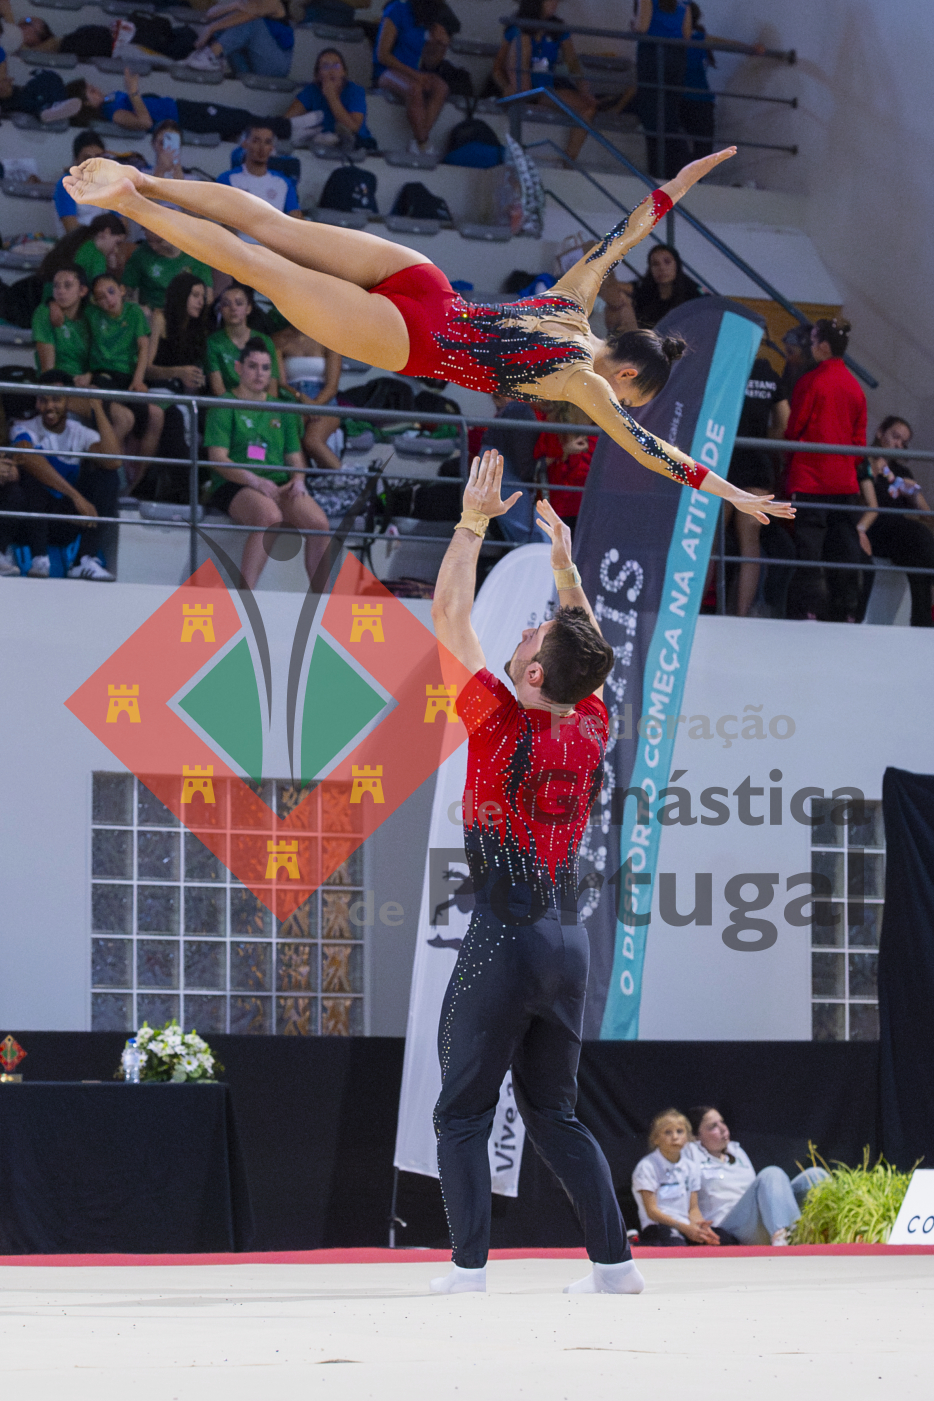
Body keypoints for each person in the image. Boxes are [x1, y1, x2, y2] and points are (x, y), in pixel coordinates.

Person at [63, 147, 794, 530]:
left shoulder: (577, 302)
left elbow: (625, 229)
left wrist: (682, 184)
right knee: (261, 267)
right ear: (629, 380)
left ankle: (144, 179)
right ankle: (128, 201)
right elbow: (650, 450)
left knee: (274, 230)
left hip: (427, 283)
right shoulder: (585, 384)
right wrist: (728, 489)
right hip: (410, 340)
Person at [427, 450, 644, 1296]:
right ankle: (615, 1267)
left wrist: (473, 522)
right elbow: (587, 650)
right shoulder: (589, 721)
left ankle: (469, 1272)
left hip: (507, 937)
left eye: (528, 636)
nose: (520, 632)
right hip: (570, 938)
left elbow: (450, 615)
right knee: (554, 1111)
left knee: (461, 1111)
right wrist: (563, 566)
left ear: (531, 674)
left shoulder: (502, 720)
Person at [204, 337, 330, 589]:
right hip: (234, 483)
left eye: (264, 367)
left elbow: (295, 458)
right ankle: (245, 594)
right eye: (252, 366)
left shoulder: (282, 409)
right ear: (239, 368)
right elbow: (218, 458)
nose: (259, 373)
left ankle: (322, 600)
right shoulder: (224, 406)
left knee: (319, 524)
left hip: (276, 483)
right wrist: (254, 480)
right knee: (269, 516)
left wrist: (298, 480)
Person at [785, 318, 867, 621]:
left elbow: (794, 430)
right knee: (843, 550)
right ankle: (844, 612)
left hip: (810, 479)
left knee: (808, 551)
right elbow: (859, 441)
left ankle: (804, 612)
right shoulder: (855, 387)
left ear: (823, 346)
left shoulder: (810, 382)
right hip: (844, 482)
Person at [9, 369, 121, 580]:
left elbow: (114, 460)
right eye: (44, 399)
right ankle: (39, 559)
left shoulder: (78, 431)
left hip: (67, 523)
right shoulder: (23, 428)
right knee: (31, 476)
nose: (50, 406)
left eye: (56, 399)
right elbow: (29, 458)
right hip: (31, 524)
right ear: (37, 402)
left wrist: (97, 407)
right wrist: (75, 496)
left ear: (68, 401)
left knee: (108, 477)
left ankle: (83, 560)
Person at [683, 1105, 828, 1246]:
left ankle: (828, 1233)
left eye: (722, 1122)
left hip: (762, 1217)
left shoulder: (737, 1152)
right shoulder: (691, 1153)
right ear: (695, 1136)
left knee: (816, 1176)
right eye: (713, 1126)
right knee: (771, 1174)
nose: (723, 1129)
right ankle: (784, 1240)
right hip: (730, 1226)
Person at [726, 354, 795, 617]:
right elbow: (784, 424)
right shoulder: (770, 376)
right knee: (749, 544)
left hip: (725, 459)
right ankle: (742, 615)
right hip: (757, 463)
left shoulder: (729, 366)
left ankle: (694, 610)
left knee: (709, 541)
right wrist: (761, 438)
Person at [85, 272, 165, 485]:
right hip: (102, 373)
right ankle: (102, 468)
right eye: (100, 297)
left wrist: (138, 381)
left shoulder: (133, 312)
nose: (107, 300)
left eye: (110, 292)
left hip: (127, 376)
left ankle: (136, 482)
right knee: (123, 417)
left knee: (150, 416)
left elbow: (143, 346)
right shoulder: (92, 313)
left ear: (121, 290)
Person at [496, 0, 597, 163]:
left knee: (587, 109)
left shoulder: (558, 28)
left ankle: (569, 160)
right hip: (520, 89)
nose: (556, 2)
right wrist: (505, 87)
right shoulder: (516, 27)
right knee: (523, 42)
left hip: (545, 92)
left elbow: (573, 63)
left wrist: (583, 88)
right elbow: (497, 69)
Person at [858, 416, 934, 628]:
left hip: (904, 537)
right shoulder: (863, 463)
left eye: (903, 442)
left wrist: (913, 492)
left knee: (921, 554)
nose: (898, 444)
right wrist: (875, 475)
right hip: (876, 532)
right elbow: (861, 502)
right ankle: (923, 622)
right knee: (921, 541)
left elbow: (927, 515)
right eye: (895, 437)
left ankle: (922, 621)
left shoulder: (902, 473)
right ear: (880, 432)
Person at [64, 70, 271, 143]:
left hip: (178, 108)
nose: (97, 89)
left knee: (238, 119)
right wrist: (133, 92)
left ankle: (287, 126)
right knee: (241, 121)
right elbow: (144, 122)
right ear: (86, 104)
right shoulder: (110, 112)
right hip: (180, 118)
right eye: (91, 92)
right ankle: (289, 127)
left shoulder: (109, 103)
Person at [374, 0, 459, 157]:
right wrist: (416, 76)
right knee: (415, 88)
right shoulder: (396, 9)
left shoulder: (428, 19)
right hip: (386, 71)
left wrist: (440, 45)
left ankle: (418, 142)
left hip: (413, 73)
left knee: (441, 87)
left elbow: (430, 62)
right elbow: (383, 55)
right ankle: (423, 143)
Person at [632, 1109, 726, 1246]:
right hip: (658, 1226)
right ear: (656, 1138)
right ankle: (636, 1242)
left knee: (722, 1239)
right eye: (668, 1132)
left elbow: (693, 1209)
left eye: (679, 1131)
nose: (675, 1137)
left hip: (684, 1225)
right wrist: (684, 1228)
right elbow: (652, 1211)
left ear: (688, 1137)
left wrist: (701, 1228)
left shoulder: (691, 1167)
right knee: (676, 1243)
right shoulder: (647, 1167)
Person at [272, 320, 343, 474]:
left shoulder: (330, 338)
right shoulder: (278, 339)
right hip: (292, 400)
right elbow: (280, 383)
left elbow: (332, 387)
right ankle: (303, 486)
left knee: (312, 441)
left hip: (324, 402)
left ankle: (346, 480)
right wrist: (299, 397)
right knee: (293, 442)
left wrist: (314, 405)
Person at [633, 0, 691, 179]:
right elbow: (686, 35)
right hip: (676, 58)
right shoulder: (685, 3)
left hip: (652, 55)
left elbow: (642, 27)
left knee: (651, 115)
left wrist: (632, 27)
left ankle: (657, 171)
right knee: (670, 115)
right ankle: (676, 168)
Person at [216, 122, 302, 237]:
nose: (262, 148)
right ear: (245, 143)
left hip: (273, 249)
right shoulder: (227, 179)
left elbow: (296, 221)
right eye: (256, 141)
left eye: (267, 142)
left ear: (272, 148)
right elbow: (225, 222)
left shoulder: (284, 183)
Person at [285, 47, 376, 151]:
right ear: (317, 75)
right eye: (325, 66)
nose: (332, 71)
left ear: (344, 72)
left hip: (357, 145)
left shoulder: (355, 91)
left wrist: (332, 97)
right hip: (322, 144)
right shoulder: (311, 91)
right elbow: (286, 121)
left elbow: (353, 128)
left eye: (336, 65)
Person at [479, 396, 540, 544]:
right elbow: (526, 468)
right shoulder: (519, 410)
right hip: (507, 488)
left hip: (497, 488)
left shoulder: (512, 411)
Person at [207, 282, 283, 395]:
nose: (233, 308)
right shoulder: (213, 342)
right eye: (227, 304)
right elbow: (219, 390)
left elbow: (272, 390)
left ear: (248, 308)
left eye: (239, 303)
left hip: (262, 407)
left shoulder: (266, 341)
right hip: (228, 407)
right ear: (220, 309)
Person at [185, 0, 294, 77]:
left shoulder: (274, 2)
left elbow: (251, 16)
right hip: (248, 64)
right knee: (227, 19)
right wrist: (235, 4)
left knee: (250, 21)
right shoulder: (250, 2)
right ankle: (212, 58)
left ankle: (213, 54)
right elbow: (211, 13)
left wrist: (211, 28)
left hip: (274, 66)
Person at [39, 213, 127, 301]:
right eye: (117, 243)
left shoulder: (79, 242)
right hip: (64, 304)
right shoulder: (97, 256)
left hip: (48, 300)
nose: (116, 250)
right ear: (106, 232)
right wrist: (113, 269)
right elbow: (100, 292)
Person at [123, 228, 214, 312]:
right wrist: (137, 310)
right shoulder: (140, 255)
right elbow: (126, 291)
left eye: (159, 242)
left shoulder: (195, 254)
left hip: (185, 314)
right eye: (149, 241)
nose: (154, 247)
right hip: (152, 314)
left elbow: (208, 297)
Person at [32, 266, 91, 382]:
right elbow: (48, 371)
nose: (61, 291)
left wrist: (89, 377)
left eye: (68, 286)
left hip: (86, 384)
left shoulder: (91, 316)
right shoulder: (44, 313)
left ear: (82, 290)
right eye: (56, 286)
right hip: (57, 384)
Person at [630, 243, 702, 329]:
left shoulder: (693, 295)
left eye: (667, 262)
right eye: (655, 264)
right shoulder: (644, 296)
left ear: (676, 265)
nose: (662, 268)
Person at [0, 49, 81, 124]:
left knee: (49, 77)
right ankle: (48, 109)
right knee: (19, 100)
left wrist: (5, 80)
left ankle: (55, 105)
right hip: (9, 101)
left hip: (18, 91)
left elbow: (4, 73)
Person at [55, 133, 112, 236]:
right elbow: (72, 230)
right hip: (76, 248)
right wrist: (103, 241)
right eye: (87, 159)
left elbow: (123, 226)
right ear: (76, 160)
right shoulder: (65, 185)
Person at [679, 3, 714, 159]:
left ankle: (695, 181)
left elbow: (724, 42)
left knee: (702, 151)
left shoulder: (698, 37)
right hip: (689, 99)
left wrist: (752, 47)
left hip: (697, 100)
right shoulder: (677, 38)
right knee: (699, 150)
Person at [772, 321, 814, 435]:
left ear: (807, 354)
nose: (787, 357)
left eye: (790, 352)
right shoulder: (791, 368)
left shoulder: (818, 380)